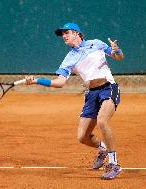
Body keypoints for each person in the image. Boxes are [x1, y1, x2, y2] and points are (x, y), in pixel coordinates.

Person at [25, 23, 124, 180]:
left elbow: (118, 57)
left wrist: (116, 50)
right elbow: (60, 82)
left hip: (108, 87)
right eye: (62, 35)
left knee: (102, 121)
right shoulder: (69, 58)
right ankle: (103, 149)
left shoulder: (97, 43)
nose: (64, 36)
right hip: (91, 94)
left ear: (77, 33)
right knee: (82, 137)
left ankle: (114, 163)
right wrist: (37, 80)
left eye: (67, 33)